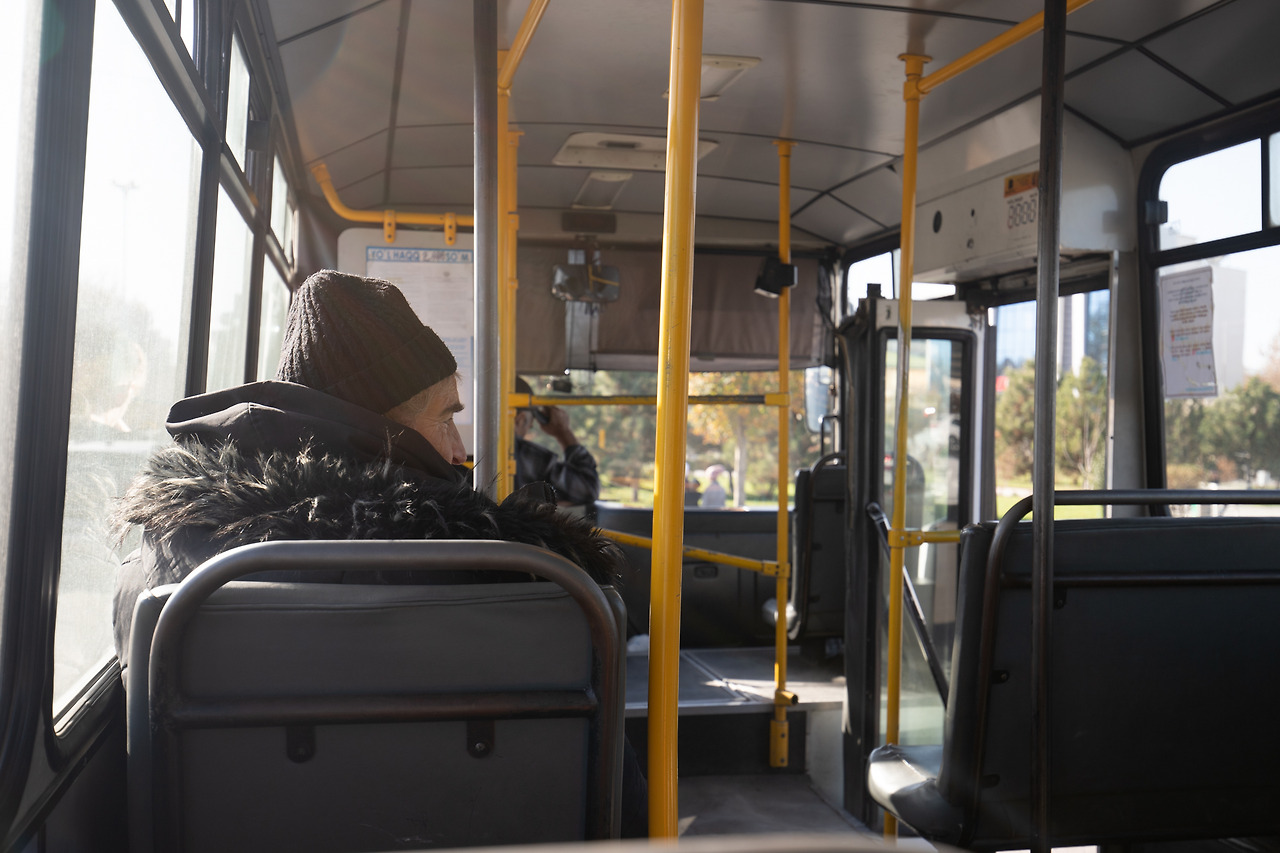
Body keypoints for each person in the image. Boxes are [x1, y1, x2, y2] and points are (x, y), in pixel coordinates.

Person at [110, 271, 646, 835]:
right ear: (381, 429)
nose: (460, 449)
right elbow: (610, 800)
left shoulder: (164, 558)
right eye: (446, 417)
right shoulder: (518, 577)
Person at [514, 376, 600, 506]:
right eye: (530, 424)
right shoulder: (522, 455)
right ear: (519, 420)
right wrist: (564, 433)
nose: (529, 428)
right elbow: (587, 489)